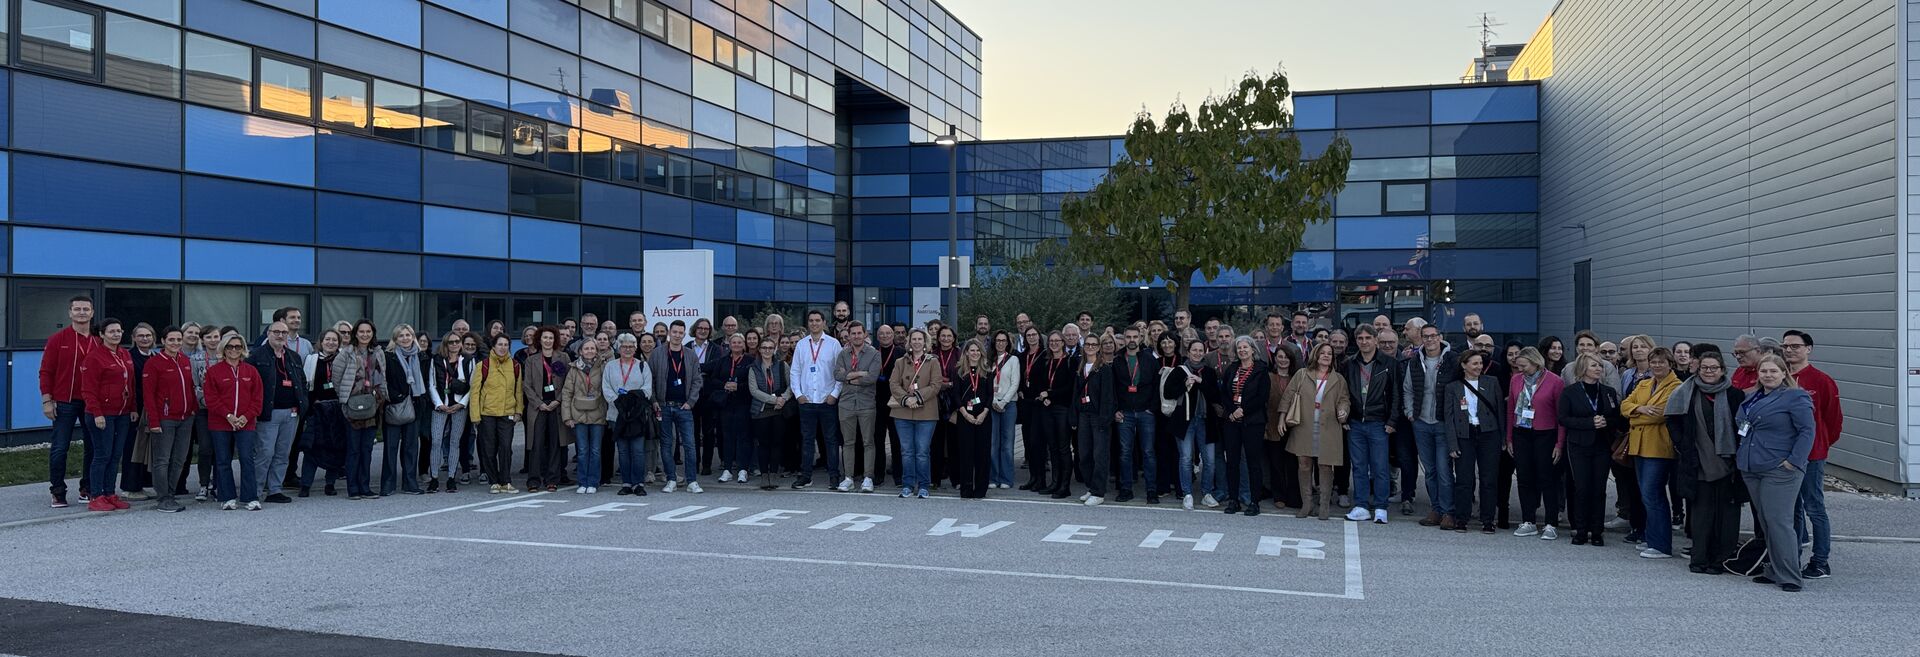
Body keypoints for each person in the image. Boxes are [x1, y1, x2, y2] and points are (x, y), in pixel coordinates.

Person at [1738, 352, 1816, 592]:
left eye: (1773, 371)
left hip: (1779, 469)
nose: (1768, 375)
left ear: (1784, 373)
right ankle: (1774, 569)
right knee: (1766, 521)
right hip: (1752, 466)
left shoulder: (1795, 397)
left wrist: (1794, 462)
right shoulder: (1753, 397)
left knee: (1779, 521)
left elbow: (1807, 431)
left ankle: (1791, 576)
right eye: (1764, 371)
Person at [1665, 350, 1745, 573]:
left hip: (1729, 464)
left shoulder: (1735, 395)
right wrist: (1683, 445)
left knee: (1727, 516)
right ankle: (1699, 559)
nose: (1709, 372)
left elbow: (1743, 425)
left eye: (1714, 368)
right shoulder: (1685, 392)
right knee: (1701, 514)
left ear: (1722, 370)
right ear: (1698, 369)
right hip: (1697, 462)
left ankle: (1721, 560)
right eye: (1704, 368)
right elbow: (1672, 420)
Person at [1781, 330, 1838, 580]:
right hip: (1784, 455)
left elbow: (1832, 419)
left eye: (1795, 346)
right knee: (1791, 509)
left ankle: (1821, 561)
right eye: (1785, 346)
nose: (1789, 350)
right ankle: (1791, 559)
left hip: (1812, 455)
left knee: (1814, 506)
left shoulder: (1821, 380)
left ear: (1808, 349)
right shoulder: (1780, 377)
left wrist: (1820, 445)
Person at [1622, 347, 1682, 558]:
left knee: (1653, 494)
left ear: (1670, 364)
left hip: (1658, 448)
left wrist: (1634, 416)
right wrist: (1639, 409)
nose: (1657, 365)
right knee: (1646, 495)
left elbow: (1660, 415)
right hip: (1639, 446)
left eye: (1661, 362)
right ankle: (1651, 537)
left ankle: (1661, 545)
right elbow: (1624, 405)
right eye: (1654, 362)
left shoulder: (1676, 387)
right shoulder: (1644, 383)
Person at [41, 296, 100, 508]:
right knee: (60, 447)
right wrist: (47, 400)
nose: (81, 313)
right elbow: (46, 371)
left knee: (93, 446)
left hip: (91, 402)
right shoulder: (57, 339)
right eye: (77, 309)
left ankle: (87, 488)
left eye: (86, 309)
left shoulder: (99, 340)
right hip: (64, 401)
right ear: (70, 313)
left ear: (92, 313)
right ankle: (58, 491)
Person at [1506, 347, 1566, 540]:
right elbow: (1510, 410)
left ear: (1535, 363)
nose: (1520, 369)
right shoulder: (1516, 380)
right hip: (1521, 431)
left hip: (1545, 433)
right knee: (1524, 478)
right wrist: (1509, 438)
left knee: (1547, 478)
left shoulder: (1555, 381)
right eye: (1518, 366)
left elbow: (1560, 415)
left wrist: (1559, 443)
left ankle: (1551, 523)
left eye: (1524, 366)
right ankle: (1528, 520)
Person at [1406, 323, 1460, 528]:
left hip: (1443, 423)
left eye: (1433, 336)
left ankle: (1448, 512)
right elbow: (1408, 389)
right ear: (1421, 338)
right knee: (1430, 471)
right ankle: (1436, 509)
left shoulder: (1452, 360)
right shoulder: (1415, 361)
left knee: (1444, 470)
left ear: (1439, 337)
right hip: (1421, 422)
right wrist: (1410, 412)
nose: (1429, 339)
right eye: (1425, 336)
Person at [1445, 349, 1506, 533]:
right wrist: (1452, 444)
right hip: (1465, 435)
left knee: (1489, 479)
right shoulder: (1453, 387)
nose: (1479, 367)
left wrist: (1503, 438)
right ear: (1464, 365)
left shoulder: (1492, 382)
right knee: (1464, 479)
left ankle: (1488, 519)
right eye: (1475, 363)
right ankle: (1461, 518)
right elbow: (1449, 417)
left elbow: (1500, 412)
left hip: (1489, 434)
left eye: (1480, 363)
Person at [1342, 325, 1398, 523]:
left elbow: (1396, 394)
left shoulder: (1389, 363)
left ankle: (1381, 507)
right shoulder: (1349, 363)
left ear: (1375, 340)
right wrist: (1345, 418)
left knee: (1380, 467)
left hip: (1379, 422)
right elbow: (1343, 393)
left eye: (1368, 338)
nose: (1364, 341)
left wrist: (1392, 420)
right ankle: (1361, 505)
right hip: (1355, 422)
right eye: (1360, 338)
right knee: (1358, 466)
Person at [204, 332, 265, 511]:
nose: (234, 350)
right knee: (223, 460)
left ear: (243, 349)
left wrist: (246, 416)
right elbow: (211, 398)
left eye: (238, 346)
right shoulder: (214, 371)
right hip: (220, 423)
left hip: (246, 423)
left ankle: (250, 497)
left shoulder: (251, 371)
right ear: (224, 349)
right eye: (230, 346)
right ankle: (227, 497)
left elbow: (257, 398)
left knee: (247, 458)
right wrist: (228, 415)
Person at [247, 321, 306, 503]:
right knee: (264, 453)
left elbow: (302, 382)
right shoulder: (256, 356)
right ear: (268, 333)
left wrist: (303, 404)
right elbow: (249, 385)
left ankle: (275, 490)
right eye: (276, 332)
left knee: (282, 454)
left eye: (284, 333)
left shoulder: (294, 357)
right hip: (268, 413)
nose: (280, 335)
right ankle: (255, 491)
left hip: (291, 413)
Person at [1213, 336, 1273, 517]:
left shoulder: (1261, 370)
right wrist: (1232, 411)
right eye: (1239, 348)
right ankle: (1234, 500)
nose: (1242, 351)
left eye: (1245, 347)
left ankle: (1254, 501)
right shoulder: (1232, 369)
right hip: (1232, 421)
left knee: (1253, 462)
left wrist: (1243, 410)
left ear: (1253, 350)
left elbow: (1262, 397)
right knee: (1232, 461)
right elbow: (1224, 393)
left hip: (1253, 422)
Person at [80, 318, 135, 512]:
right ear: (102, 334)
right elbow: (88, 389)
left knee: (116, 455)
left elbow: (131, 384)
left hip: (122, 413)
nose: (116, 334)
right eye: (112, 331)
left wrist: (133, 407)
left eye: (119, 331)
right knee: (102, 455)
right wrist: (97, 413)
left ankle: (110, 492)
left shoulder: (124, 354)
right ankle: (96, 495)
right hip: (102, 414)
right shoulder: (94, 358)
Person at [141, 326, 196, 513]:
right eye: (171, 340)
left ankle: (171, 494)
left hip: (185, 418)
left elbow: (190, 387)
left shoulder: (185, 360)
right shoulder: (154, 363)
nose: (175, 343)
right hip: (165, 418)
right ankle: (163, 497)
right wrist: (154, 422)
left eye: (179, 340)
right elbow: (148, 395)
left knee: (179, 459)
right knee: (162, 459)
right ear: (163, 341)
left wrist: (193, 410)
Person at [332, 321, 386, 500]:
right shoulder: (346, 353)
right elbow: (337, 379)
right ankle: (353, 488)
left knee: (367, 449)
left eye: (368, 331)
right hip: (352, 407)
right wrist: (346, 398)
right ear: (355, 333)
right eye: (361, 331)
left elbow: (383, 376)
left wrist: (381, 398)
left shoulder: (378, 352)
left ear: (373, 333)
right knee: (353, 449)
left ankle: (365, 487)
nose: (365, 334)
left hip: (372, 406)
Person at [789, 310, 844, 490]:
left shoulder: (834, 344)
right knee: (807, 440)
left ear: (824, 322)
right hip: (807, 401)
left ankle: (834, 476)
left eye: (817, 320)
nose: (814, 323)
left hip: (827, 401)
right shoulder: (801, 345)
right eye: (811, 320)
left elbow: (840, 372)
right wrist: (798, 394)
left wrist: (834, 394)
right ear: (808, 323)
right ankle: (806, 476)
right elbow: (795, 371)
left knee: (831, 440)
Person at [889, 329, 944, 498]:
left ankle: (924, 486)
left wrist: (918, 397)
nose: (917, 342)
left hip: (926, 413)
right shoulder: (900, 362)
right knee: (906, 451)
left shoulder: (933, 361)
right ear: (909, 342)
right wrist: (906, 399)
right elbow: (893, 383)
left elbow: (936, 385)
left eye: (920, 339)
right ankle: (907, 485)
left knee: (922, 451)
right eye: (914, 339)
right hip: (903, 413)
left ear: (925, 342)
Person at [651, 322, 703, 493]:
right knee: (666, 445)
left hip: (684, 407)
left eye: (681, 332)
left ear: (684, 334)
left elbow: (697, 380)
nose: (677, 335)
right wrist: (654, 400)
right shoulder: (657, 353)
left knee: (690, 444)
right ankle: (671, 479)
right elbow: (650, 379)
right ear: (669, 333)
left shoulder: (690, 354)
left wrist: (691, 401)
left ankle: (692, 481)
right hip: (664, 406)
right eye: (674, 332)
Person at [832, 322, 882, 492]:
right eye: (853, 334)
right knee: (848, 442)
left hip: (866, 403)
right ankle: (848, 478)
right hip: (846, 404)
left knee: (868, 442)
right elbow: (837, 375)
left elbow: (872, 377)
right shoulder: (843, 354)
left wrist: (849, 377)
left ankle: (868, 478)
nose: (856, 336)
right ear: (849, 336)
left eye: (859, 333)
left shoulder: (874, 354)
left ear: (865, 334)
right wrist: (860, 373)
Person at [469, 334, 522, 494]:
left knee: (506, 447)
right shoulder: (483, 365)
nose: (503, 347)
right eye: (500, 344)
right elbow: (475, 392)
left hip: (507, 413)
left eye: (506, 344)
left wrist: (518, 410)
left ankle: (506, 481)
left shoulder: (515, 365)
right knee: (489, 448)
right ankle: (494, 481)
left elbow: (518, 391)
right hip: (487, 413)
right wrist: (475, 416)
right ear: (493, 346)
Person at [1111, 327, 1159, 504]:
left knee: (1148, 452)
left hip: (1146, 412)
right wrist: (1115, 409)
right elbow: (1113, 387)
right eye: (1128, 337)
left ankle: (1151, 491)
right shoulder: (1117, 360)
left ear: (1140, 338)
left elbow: (1156, 385)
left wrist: (1152, 408)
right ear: (1124, 338)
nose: (1131, 340)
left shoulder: (1150, 359)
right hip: (1125, 413)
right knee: (1125, 452)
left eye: (1135, 337)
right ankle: (1126, 489)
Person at [604, 333, 654, 495]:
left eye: (631, 346)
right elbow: (606, 388)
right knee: (623, 450)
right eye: (624, 346)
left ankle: (638, 483)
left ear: (635, 348)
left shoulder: (643, 366)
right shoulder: (610, 366)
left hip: (637, 416)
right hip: (617, 415)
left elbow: (647, 389)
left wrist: (631, 403)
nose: (627, 349)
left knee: (638, 450)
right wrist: (620, 403)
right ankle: (626, 483)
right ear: (619, 348)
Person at [521, 327, 569, 492]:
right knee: (536, 443)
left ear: (554, 340)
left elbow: (568, 383)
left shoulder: (563, 357)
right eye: (545, 338)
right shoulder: (531, 360)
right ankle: (533, 480)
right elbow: (526, 385)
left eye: (550, 338)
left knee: (555, 443)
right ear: (539, 340)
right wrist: (538, 403)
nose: (548, 340)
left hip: (556, 405)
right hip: (538, 407)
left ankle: (552, 479)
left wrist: (558, 400)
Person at [1164, 337, 1209, 510]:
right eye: (1194, 350)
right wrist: (1185, 384)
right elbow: (1168, 393)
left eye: (1200, 350)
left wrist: (1201, 382)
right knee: (1186, 458)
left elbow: (1214, 393)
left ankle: (1206, 492)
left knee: (1209, 460)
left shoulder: (1208, 371)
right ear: (1188, 352)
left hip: (1204, 420)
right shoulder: (1179, 370)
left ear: (1204, 353)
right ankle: (1187, 493)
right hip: (1184, 421)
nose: (1197, 353)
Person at [1074, 333, 1118, 507]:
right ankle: (1091, 487)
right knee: (1084, 454)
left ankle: (1099, 492)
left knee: (1099, 455)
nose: (1090, 347)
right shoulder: (1080, 367)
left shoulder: (1104, 368)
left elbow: (1108, 396)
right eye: (1088, 344)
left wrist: (1105, 419)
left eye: (1094, 344)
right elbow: (1076, 393)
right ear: (1084, 347)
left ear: (1099, 347)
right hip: (1083, 415)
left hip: (1099, 416)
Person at [947, 340, 994, 499]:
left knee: (983, 454)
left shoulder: (987, 371)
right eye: (972, 350)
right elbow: (956, 395)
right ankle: (966, 488)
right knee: (966, 453)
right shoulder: (959, 371)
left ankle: (981, 488)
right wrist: (965, 414)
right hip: (964, 416)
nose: (975, 353)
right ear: (966, 352)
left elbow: (990, 395)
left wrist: (984, 413)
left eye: (977, 350)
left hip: (983, 416)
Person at [561, 339, 608, 494]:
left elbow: (607, 389)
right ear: (580, 351)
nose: (589, 351)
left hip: (598, 414)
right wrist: (567, 417)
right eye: (586, 348)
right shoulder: (573, 369)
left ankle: (593, 482)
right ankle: (582, 482)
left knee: (595, 450)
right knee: (582, 450)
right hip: (578, 415)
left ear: (596, 350)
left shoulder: (603, 367)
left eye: (592, 348)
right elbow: (567, 393)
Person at [427, 332, 471, 493]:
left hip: (459, 406)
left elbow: (473, 385)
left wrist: (461, 404)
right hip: (441, 406)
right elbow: (431, 384)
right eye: (451, 342)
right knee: (436, 441)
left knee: (454, 442)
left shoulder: (468, 360)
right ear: (445, 344)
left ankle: (451, 478)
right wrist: (439, 404)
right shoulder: (437, 360)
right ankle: (434, 478)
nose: (454, 344)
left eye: (457, 341)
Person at [1261, 341, 1301, 512]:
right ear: (1275, 359)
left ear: (1291, 360)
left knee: (1292, 463)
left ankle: (1293, 496)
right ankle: (1279, 496)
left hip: (1293, 426)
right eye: (1280, 357)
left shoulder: (1297, 378)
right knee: (1276, 463)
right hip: (1272, 424)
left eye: (1286, 357)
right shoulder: (1268, 377)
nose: (1283, 360)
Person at [980, 330, 1022, 491]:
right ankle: (993, 477)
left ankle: (1006, 478)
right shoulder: (987, 361)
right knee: (992, 443)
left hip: (1008, 405)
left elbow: (1015, 383)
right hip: (992, 404)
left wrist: (1003, 402)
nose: (1000, 343)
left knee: (1007, 444)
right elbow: (985, 383)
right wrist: (993, 401)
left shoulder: (1013, 360)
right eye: (998, 340)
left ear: (1008, 343)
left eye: (1003, 340)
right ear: (993, 342)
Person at [710, 334, 755, 484]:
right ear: (729, 344)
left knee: (743, 436)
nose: (736, 345)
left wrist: (738, 386)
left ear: (744, 344)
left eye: (739, 342)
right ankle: (727, 469)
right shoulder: (722, 361)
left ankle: (743, 469)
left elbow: (754, 382)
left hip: (744, 403)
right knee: (727, 436)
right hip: (726, 403)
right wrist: (724, 385)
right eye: (733, 342)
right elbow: (713, 379)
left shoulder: (750, 361)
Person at [1039, 332, 1078, 500]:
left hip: (1063, 409)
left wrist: (1050, 394)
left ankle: (1065, 486)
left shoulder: (1071, 361)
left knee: (1063, 448)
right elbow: (1041, 383)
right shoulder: (1046, 361)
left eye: (1057, 341)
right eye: (1051, 341)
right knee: (1053, 447)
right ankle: (1055, 482)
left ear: (1063, 343)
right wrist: (1044, 398)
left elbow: (1070, 387)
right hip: (1047, 408)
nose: (1054, 343)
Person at [1017, 326, 1052, 491]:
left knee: (1037, 441)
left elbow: (1048, 378)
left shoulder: (1045, 355)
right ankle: (1032, 477)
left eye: (1034, 334)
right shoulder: (1022, 356)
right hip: (1026, 402)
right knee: (1028, 442)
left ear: (1039, 337)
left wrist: (1043, 393)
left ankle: (1041, 479)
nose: (1031, 337)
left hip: (1039, 402)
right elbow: (1019, 377)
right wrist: (1019, 390)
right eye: (1028, 335)